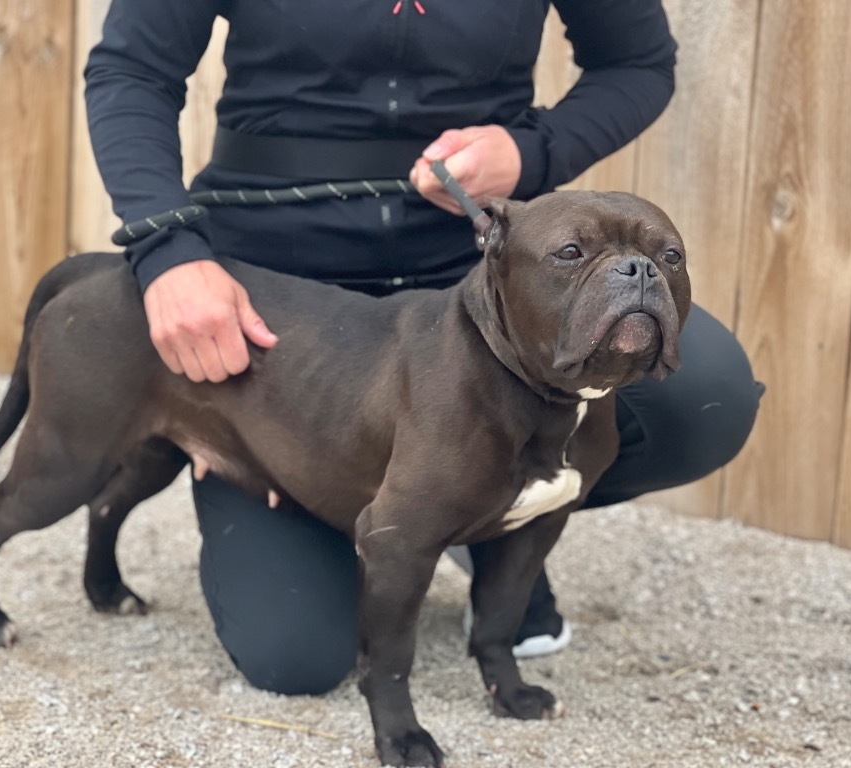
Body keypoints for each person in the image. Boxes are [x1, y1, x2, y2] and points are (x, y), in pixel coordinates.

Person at [84, 0, 762, 696]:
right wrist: (166, 247)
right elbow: (131, 68)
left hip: (480, 279)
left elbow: (637, 60)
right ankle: (420, 505)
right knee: (296, 656)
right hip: (284, 301)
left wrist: (535, 150)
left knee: (706, 396)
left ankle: (483, 510)